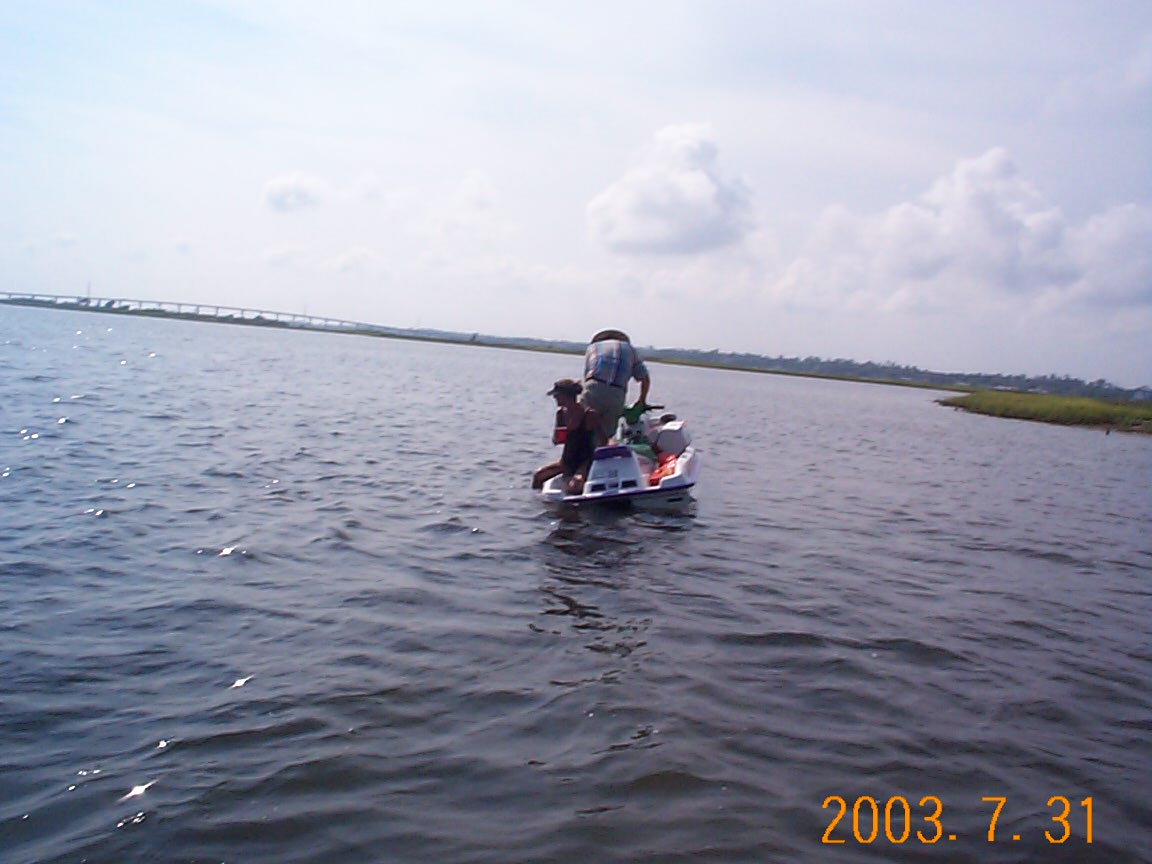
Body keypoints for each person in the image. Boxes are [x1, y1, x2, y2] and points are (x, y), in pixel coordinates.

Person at [532, 378, 606, 494]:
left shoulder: (588, 415)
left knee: (574, 486)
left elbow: (603, 441)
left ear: (566, 396)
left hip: (584, 461)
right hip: (566, 461)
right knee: (538, 475)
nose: (555, 398)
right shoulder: (561, 414)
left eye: (557, 395)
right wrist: (557, 437)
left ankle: (574, 509)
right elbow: (556, 440)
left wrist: (593, 463)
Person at [580, 329, 651, 441]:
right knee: (605, 435)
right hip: (617, 393)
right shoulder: (630, 349)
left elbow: (587, 376)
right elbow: (645, 379)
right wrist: (641, 400)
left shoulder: (593, 347)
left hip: (593, 387)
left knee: (582, 429)